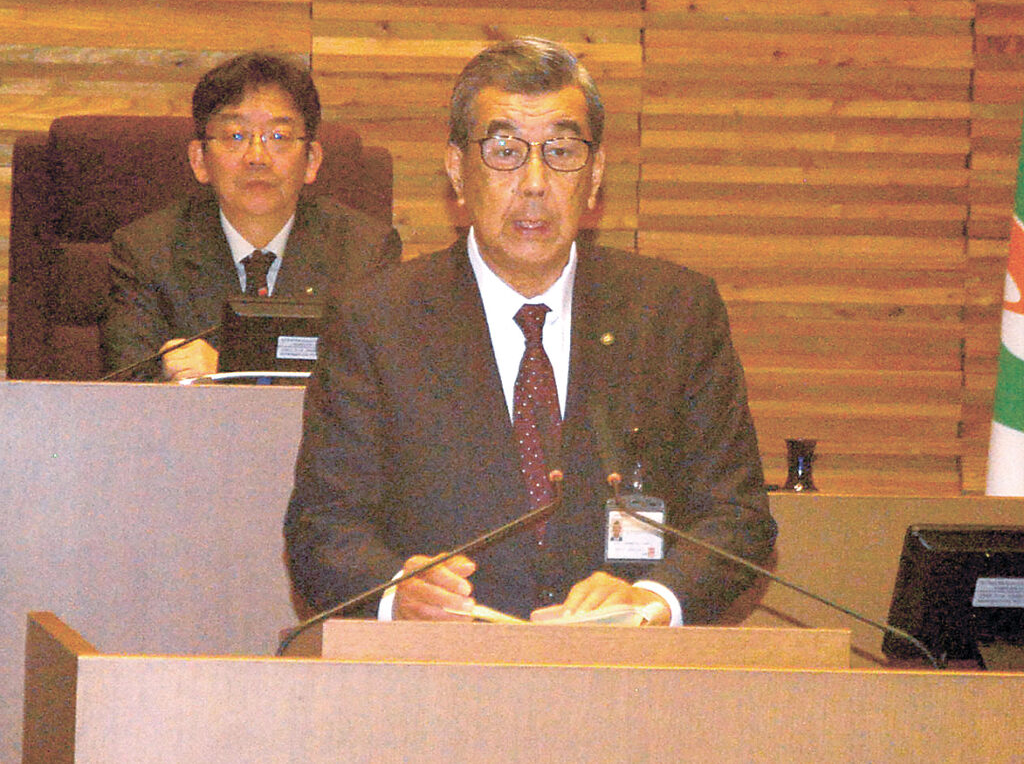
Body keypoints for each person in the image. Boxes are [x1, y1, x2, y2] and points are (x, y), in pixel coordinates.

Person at [284, 37, 776, 625]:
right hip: (441, 668)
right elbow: (323, 529)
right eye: (505, 152)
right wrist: (397, 592)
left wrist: (654, 599)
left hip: (626, 670)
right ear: (457, 171)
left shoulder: (674, 314)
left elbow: (737, 520)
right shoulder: (377, 321)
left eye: (561, 151)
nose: (535, 182)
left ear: (595, 174)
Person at [101, 52, 402, 382]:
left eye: (278, 137)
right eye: (236, 136)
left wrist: (228, 373)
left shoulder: (364, 253)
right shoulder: (147, 252)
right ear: (199, 160)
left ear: (312, 160)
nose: (257, 157)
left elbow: (380, 385)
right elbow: (124, 387)